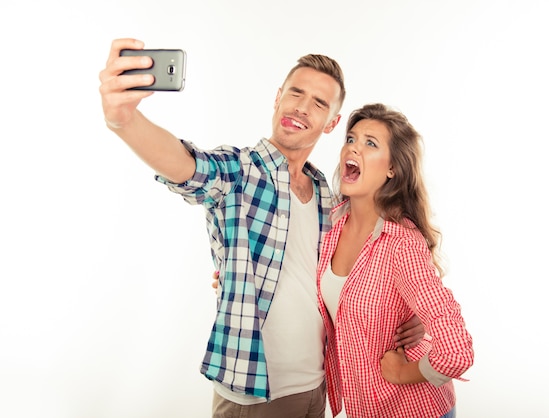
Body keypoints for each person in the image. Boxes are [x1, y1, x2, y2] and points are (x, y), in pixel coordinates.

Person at [99, 38, 424, 418]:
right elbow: (186, 165)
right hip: (253, 395)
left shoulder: (327, 197)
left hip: (318, 387)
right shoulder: (238, 172)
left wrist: (413, 311)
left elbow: (378, 259)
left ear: (332, 122)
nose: (302, 107)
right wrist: (123, 120)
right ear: (277, 98)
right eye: (296, 93)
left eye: (319, 103)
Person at [317, 103, 474, 418]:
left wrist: (404, 372)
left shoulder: (402, 244)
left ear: (392, 169)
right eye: (351, 139)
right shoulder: (329, 225)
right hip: (361, 408)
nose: (354, 148)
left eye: (370, 143)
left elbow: (457, 350)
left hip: (415, 409)